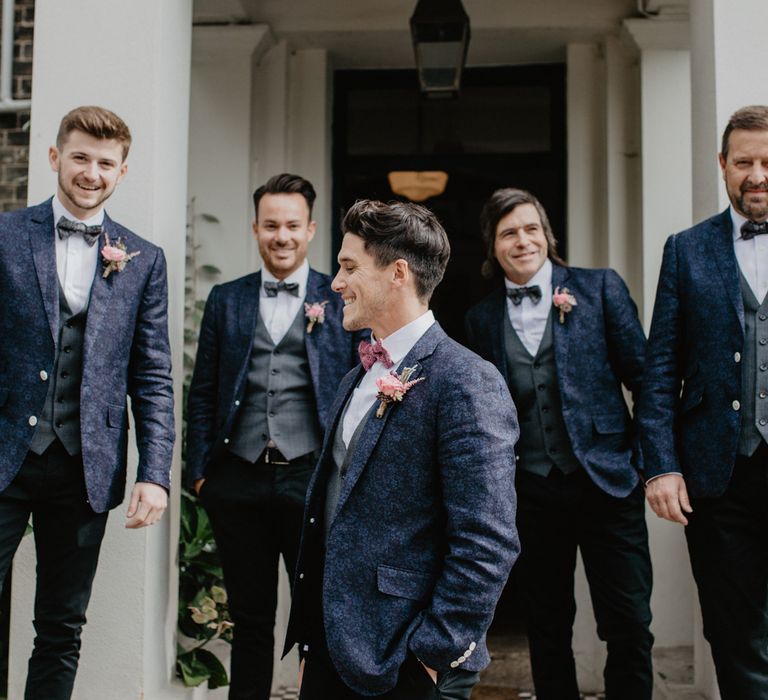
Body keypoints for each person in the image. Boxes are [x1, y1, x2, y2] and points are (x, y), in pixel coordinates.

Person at [284, 199, 519, 700]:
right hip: (335, 650)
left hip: (405, 661)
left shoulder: (467, 381)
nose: (335, 282)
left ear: (397, 273)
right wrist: (312, 645)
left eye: (349, 267)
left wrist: (431, 656)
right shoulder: (358, 375)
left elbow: (487, 540)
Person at [0, 105, 174, 700]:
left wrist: (155, 474)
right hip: (4, 454)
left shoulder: (143, 258)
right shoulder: (4, 235)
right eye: (80, 157)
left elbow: (153, 374)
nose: (90, 172)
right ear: (55, 158)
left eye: (105, 162)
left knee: (61, 624)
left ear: (122, 171)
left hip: (84, 464)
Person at [465, 188, 653, 699]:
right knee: (547, 627)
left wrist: (644, 462)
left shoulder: (599, 289)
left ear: (547, 235)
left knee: (629, 622)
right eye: (508, 233)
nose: (522, 241)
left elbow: (646, 378)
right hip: (530, 493)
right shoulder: (480, 320)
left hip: (608, 484)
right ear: (493, 247)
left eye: (531, 229)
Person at [186, 173, 362, 700]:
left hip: (311, 478)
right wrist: (199, 475)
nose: (280, 236)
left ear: (310, 229)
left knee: (317, 617)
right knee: (251, 618)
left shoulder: (340, 296)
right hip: (237, 480)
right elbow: (204, 391)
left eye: (291, 225)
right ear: (255, 229)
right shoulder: (226, 299)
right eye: (270, 226)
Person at [638, 105, 768, 698]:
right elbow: (659, 369)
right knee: (732, 628)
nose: (757, 174)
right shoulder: (687, 250)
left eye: (767, 162)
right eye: (744, 162)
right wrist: (661, 465)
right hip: (720, 475)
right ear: (723, 166)